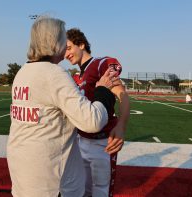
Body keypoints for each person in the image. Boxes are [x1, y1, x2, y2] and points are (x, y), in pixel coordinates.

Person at [7, 17, 123, 197]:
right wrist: (102, 90)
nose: (65, 45)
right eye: (63, 38)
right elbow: (92, 121)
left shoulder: (22, 72)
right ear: (54, 41)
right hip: (50, 178)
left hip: (22, 170)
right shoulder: (54, 73)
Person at [65, 28, 130, 197]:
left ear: (81, 44)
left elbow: (122, 95)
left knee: (101, 190)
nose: (66, 54)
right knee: (83, 191)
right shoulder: (76, 77)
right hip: (81, 141)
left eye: (69, 48)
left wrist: (121, 126)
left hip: (102, 143)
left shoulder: (101, 64)